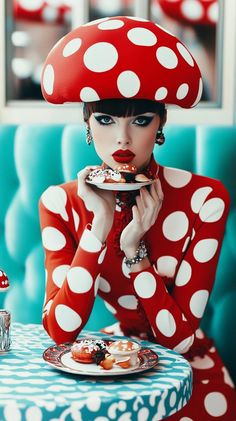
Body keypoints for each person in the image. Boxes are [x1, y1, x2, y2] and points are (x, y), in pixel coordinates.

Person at [39, 16, 236, 420]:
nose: (123, 139)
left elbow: (179, 339)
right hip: (113, 358)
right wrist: (99, 226)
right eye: (106, 120)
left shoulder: (205, 199)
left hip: (188, 365)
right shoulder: (59, 202)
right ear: (88, 126)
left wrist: (135, 252)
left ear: (161, 124)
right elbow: (60, 331)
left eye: (141, 120)